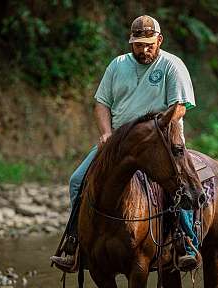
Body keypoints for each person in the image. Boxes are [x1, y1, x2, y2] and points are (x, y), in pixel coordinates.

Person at [51, 15, 200, 271]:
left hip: (160, 141)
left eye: (149, 44)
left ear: (159, 40)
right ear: (131, 42)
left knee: (177, 182)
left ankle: (185, 242)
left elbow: (179, 108)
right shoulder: (117, 65)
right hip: (120, 142)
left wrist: (157, 126)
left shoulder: (172, 66)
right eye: (138, 44)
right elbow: (102, 104)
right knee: (78, 180)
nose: (144, 50)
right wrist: (107, 133)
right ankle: (74, 242)